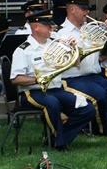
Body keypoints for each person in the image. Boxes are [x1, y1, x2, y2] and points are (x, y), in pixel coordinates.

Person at [10, 9, 95, 151]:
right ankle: (60, 145)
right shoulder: (23, 50)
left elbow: (76, 64)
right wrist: (38, 80)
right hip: (32, 93)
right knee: (52, 103)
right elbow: (15, 79)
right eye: (48, 25)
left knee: (87, 109)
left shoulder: (56, 42)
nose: (52, 28)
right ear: (36, 27)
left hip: (57, 89)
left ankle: (55, 139)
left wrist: (74, 50)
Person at [56, 0, 107, 134]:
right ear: (72, 9)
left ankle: (91, 124)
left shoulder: (93, 28)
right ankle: (102, 130)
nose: (87, 12)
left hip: (94, 76)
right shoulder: (60, 33)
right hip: (73, 78)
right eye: (83, 9)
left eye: (88, 9)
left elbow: (103, 57)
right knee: (100, 95)